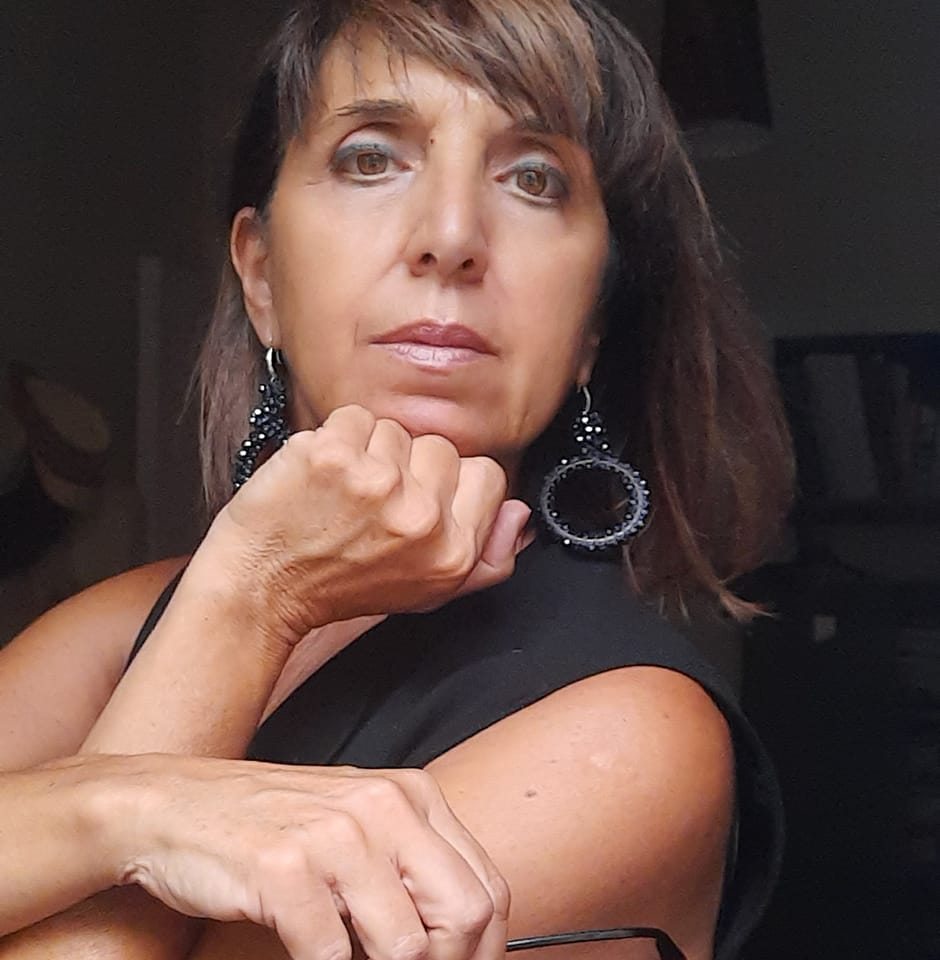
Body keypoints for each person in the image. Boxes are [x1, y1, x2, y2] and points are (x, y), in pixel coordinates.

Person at [0, 1, 793, 958]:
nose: (451, 236)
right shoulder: (114, 629)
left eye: (534, 178)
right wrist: (128, 811)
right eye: (371, 158)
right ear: (260, 276)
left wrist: (252, 597)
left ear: (590, 325)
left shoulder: (628, 742)